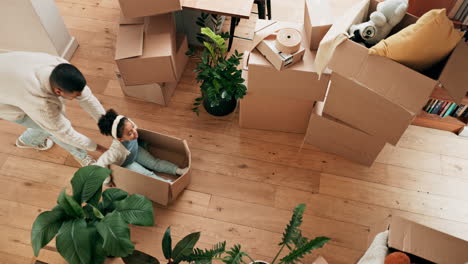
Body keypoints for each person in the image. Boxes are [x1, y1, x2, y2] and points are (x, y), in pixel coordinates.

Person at [0, 51, 107, 166]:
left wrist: (109, 123)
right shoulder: (41, 104)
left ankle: (28, 140)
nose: (80, 96)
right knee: (53, 130)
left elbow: (87, 98)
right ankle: (81, 156)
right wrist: (99, 148)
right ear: (58, 91)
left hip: (9, 75)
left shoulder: (59, 65)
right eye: (76, 96)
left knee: (45, 125)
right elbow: (65, 133)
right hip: (6, 103)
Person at [96, 109, 188, 184]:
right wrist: (107, 181)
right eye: (130, 133)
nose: (135, 132)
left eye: (132, 127)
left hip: (136, 151)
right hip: (127, 163)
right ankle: (168, 184)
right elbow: (100, 164)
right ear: (120, 139)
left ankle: (179, 171)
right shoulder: (116, 151)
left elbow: (131, 127)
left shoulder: (129, 124)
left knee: (154, 163)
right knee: (147, 174)